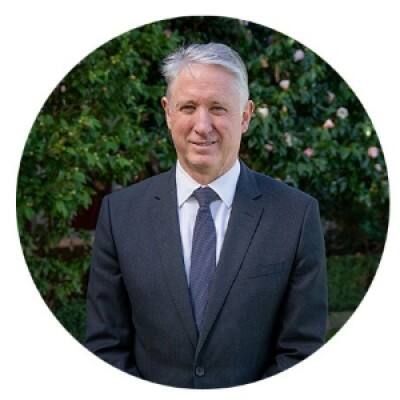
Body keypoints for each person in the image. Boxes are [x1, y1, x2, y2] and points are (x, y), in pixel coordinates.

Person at [85, 42, 328, 389]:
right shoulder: (120, 215)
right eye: (188, 107)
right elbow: (106, 347)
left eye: (218, 108)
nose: (202, 125)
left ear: (245, 116)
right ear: (168, 113)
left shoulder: (295, 216)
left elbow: (301, 352)